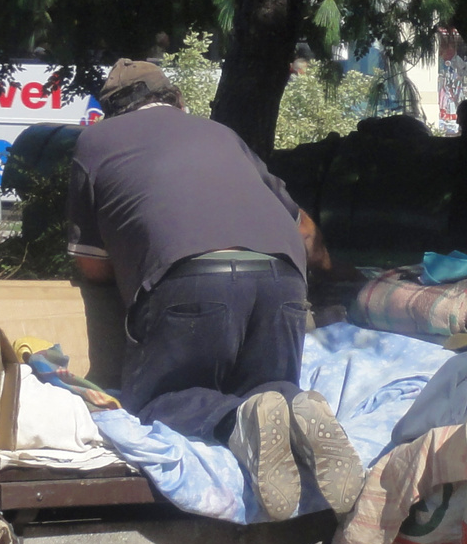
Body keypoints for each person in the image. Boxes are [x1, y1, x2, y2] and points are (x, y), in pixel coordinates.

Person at [66, 59, 362, 520]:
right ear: (177, 100)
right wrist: (340, 271)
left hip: (190, 280)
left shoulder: (94, 142)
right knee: (267, 384)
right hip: (283, 279)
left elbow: (92, 265)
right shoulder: (223, 135)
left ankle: (237, 420)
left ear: (109, 112)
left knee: (158, 398)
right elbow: (305, 233)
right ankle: (294, 405)